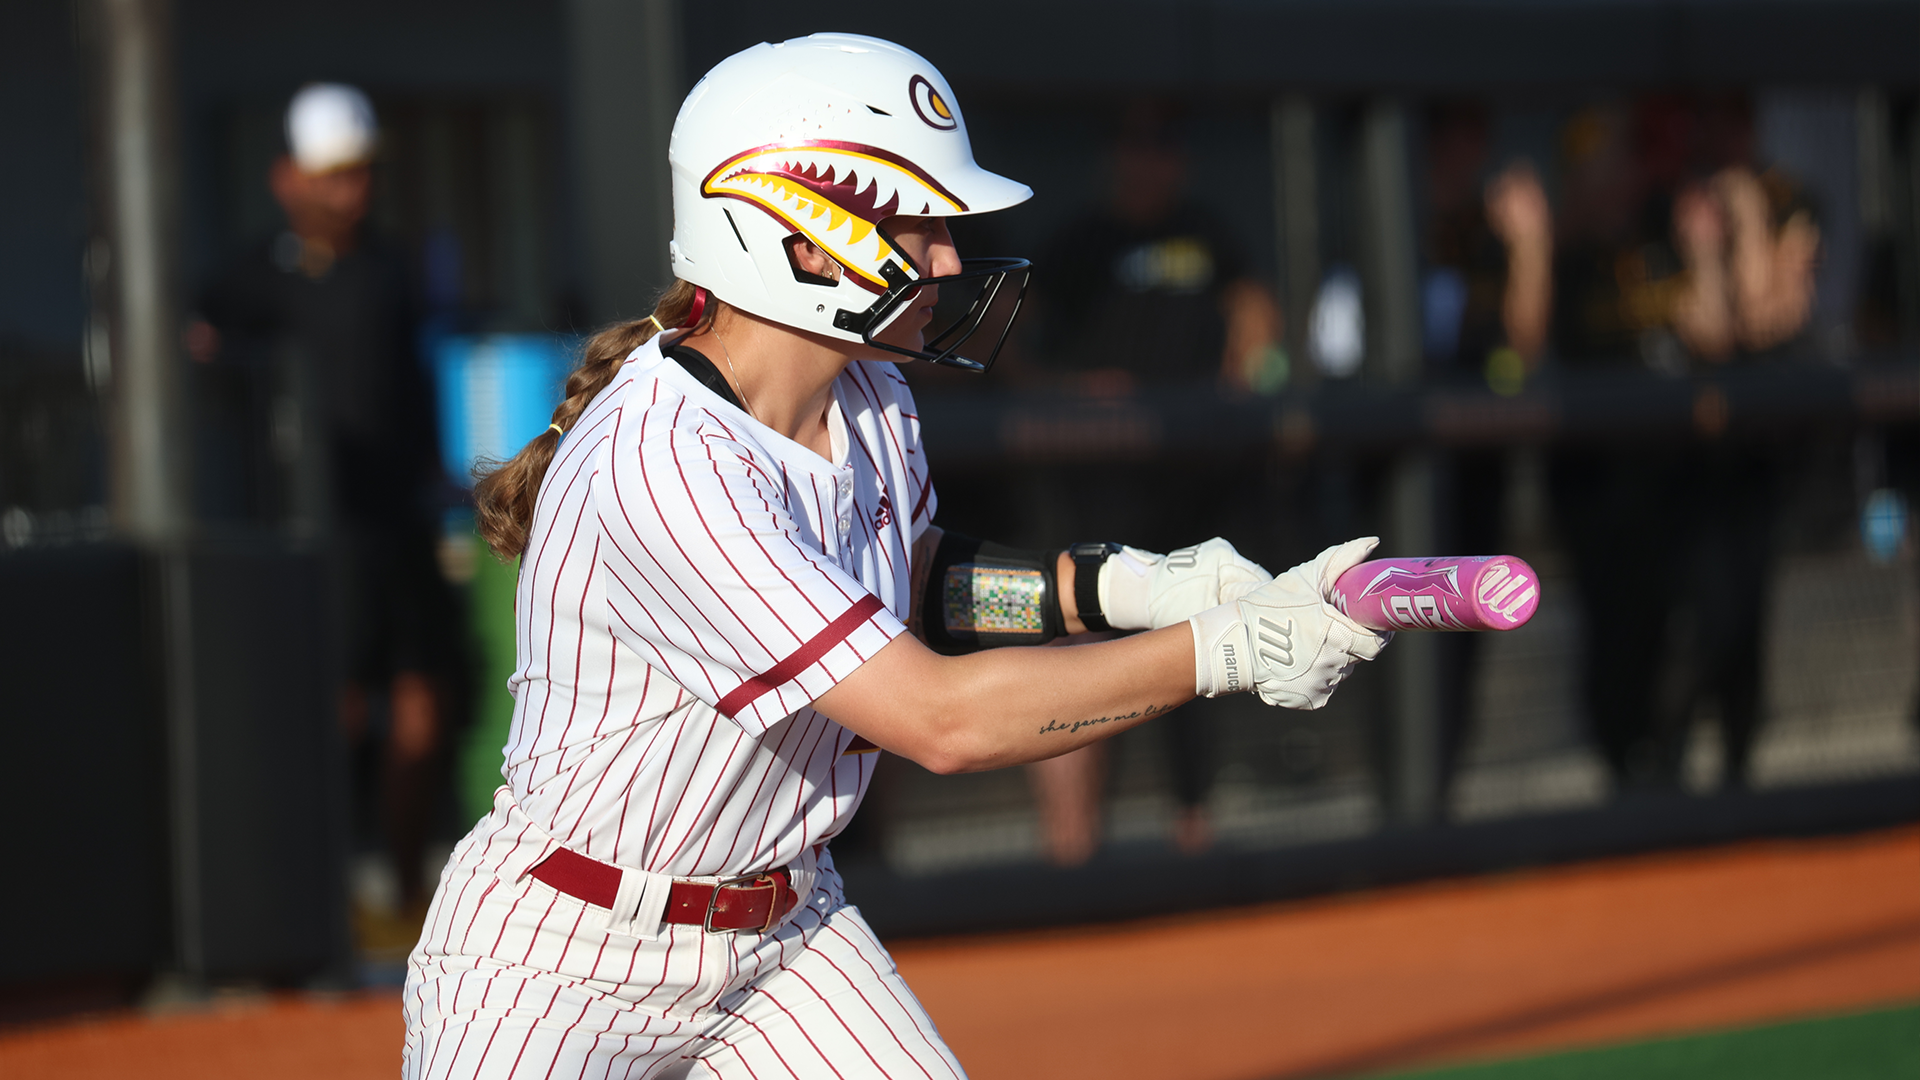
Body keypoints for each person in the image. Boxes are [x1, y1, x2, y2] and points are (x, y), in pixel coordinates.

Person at [402, 34, 1388, 1078]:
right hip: (566, 952)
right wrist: (1222, 650)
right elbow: (942, 721)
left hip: (784, 931)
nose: (949, 260)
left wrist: (1128, 589)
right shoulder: (661, 459)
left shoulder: (867, 391)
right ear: (796, 234)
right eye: (918, 222)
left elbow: (909, 583)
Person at [194, 84, 457, 933]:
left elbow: (411, 386)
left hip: (400, 527)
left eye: (363, 172)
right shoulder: (248, 281)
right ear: (289, 179)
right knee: (328, 714)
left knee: (422, 712)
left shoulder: (392, 268)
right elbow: (202, 364)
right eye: (335, 174)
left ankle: (406, 899)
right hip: (314, 536)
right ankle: (318, 903)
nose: (354, 191)